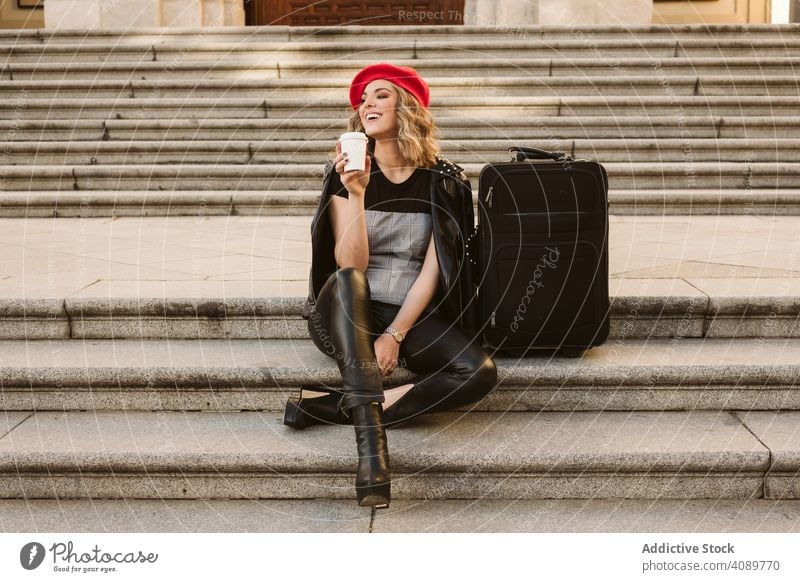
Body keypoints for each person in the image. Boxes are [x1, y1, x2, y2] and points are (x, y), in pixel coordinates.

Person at [287, 63, 497, 509]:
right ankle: (372, 459)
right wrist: (358, 193)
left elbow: (432, 272)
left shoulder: (443, 182)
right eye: (363, 99)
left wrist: (396, 333)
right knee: (348, 280)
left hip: (408, 310)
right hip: (346, 311)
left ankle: (325, 406)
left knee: (478, 372)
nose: (367, 104)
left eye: (380, 95)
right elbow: (351, 264)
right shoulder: (347, 175)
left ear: (409, 107)